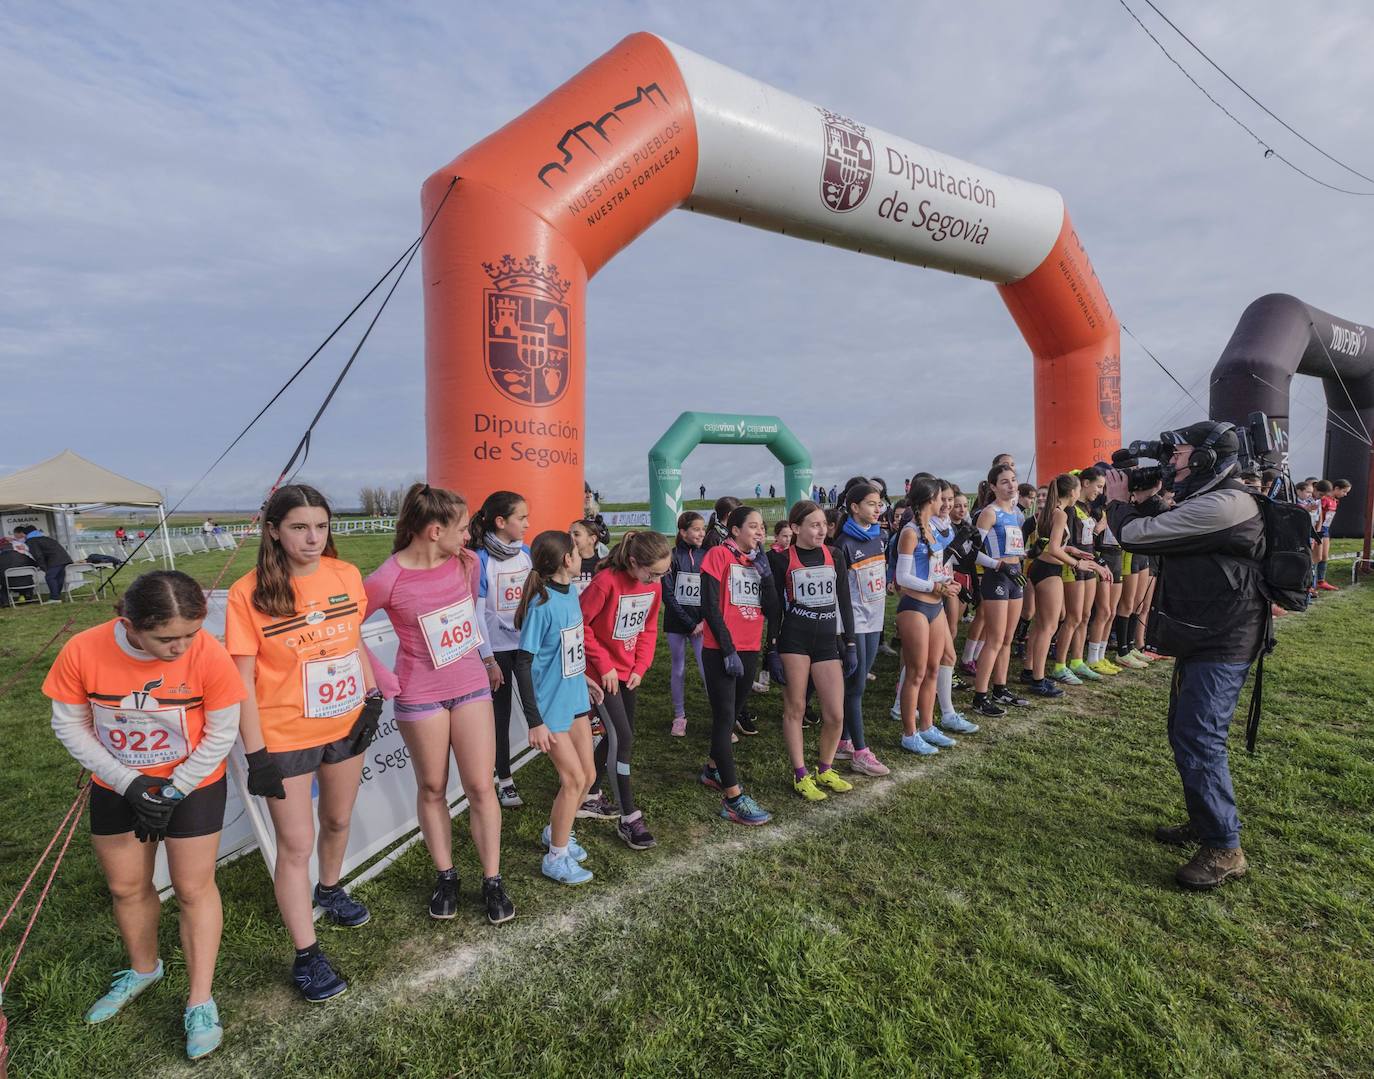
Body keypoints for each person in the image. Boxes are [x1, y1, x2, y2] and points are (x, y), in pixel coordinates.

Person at [44, 571, 244, 1060]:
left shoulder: (208, 654)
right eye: (166, 638)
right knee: (126, 886)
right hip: (117, 780)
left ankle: (200, 999)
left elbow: (221, 733)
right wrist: (132, 784)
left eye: (191, 634)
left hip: (193, 781)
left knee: (194, 888)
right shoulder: (83, 650)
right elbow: (68, 725)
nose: (181, 648)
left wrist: (172, 791)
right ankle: (143, 968)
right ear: (128, 623)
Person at [226, 484, 383, 1002]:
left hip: (344, 726)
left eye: (321, 525)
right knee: (295, 845)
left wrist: (372, 694)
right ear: (273, 530)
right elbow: (241, 681)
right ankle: (307, 955)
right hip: (284, 736)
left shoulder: (345, 575)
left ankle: (331, 887)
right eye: (299, 527)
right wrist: (257, 755)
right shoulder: (247, 593)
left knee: (337, 821)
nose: (313, 538)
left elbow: (351, 637)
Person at [1105, 420, 1267, 890]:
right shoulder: (1213, 498)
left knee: (1199, 737)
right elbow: (1177, 528)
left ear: (1205, 457)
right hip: (1208, 635)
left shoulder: (1228, 502)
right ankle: (1206, 820)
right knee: (1185, 731)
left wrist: (1120, 503)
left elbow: (1139, 536)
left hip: (1222, 640)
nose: (1171, 464)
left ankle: (1224, 846)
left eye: (1179, 456)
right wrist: (1150, 498)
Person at [363, 484, 514, 925]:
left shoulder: (465, 564)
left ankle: (492, 879)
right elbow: (344, 626)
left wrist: (485, 658)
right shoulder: (386, 578)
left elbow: (467, 620)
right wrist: (380, 674)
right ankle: (446, 875)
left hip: (469, 686)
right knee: (432, 787)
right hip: (420, 695)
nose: (469, 537)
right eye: (463, 528)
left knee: (481, 786)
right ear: (433, 530)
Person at [513, 530, 602, 885]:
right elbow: (522, 664)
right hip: (550, 710)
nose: (581, 555)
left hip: (576, 697)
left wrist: (584, 678)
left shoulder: (571, 594)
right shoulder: (541, 605)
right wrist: (535, 723)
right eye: (576, 552)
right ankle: (557, 857)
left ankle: (557, 831)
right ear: (567, 559)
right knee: (573, 779)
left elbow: (570, 650)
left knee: (589, 776)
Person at [578, 529, 671, 850]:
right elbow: (580, 624)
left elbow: (648, 626)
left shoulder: (652, 587)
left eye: (663, 574)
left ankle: (589, 794)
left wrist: (640, 666)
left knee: (620, 733)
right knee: (624, 737)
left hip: (627, 672)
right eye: (653, 573)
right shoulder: (606, 582)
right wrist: (603, 666)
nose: (658, 581)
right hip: (601, 676)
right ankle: (630, 818)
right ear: (633, 562)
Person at [766, 501, 857, 801]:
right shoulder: (780, 561)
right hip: (794, 640)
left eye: (824, 524)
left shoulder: (834, 555)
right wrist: (773, 649)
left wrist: (851, 643)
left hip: (827, 641)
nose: (822, 530)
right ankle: (800, 774)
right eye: (814, 525)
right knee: (796, 708)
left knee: (835, 713)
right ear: (795, 528)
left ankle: (825, 768)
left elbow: (844, 601)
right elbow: (774, 610)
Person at [698, 505, 778, 825]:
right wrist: (727, 647)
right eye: (754, 526)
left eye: (763, 527)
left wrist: (767, 576)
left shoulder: (758, 561)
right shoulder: (718, 556)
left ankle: (712, 769)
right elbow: (709, 605)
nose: (761, 532)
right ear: (735, 530)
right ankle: (733, 797)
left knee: (732, 715)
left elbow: (773, 610)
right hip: (721, 649)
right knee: (724, 718)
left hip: (750, 646)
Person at [468, 491, 532, 808]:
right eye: (522, 518)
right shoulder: (480, 559)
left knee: (540, 707)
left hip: (526, 647)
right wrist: (489, 659)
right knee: (500, 716)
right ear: (500, 521)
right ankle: (504, 780)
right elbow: (477, 613)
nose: (527, 524)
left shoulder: (527, 553)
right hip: (497, 653)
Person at [893, 478, 964, 755]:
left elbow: (932, 568)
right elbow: (902, 577)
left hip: (935, 606)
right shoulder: (910, 532)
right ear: (929, 500)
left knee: (934, 668)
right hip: (915, 607)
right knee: (916, 671)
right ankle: (909, 733)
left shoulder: (933, 529)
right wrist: (934, 586)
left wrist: (946, 583)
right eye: (940, 498)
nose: (944, 503)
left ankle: (927, 726)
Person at [832, 482, 891, 776]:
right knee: (856, 687)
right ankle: (860, 752)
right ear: (854, 507)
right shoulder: (843, 544)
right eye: (870, 504)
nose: (877, 509)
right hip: (853, 625)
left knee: (856, 687)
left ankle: (843, 740)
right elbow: (840, 595)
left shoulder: (879, 538)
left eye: (879, 504)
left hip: (874, 621)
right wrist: (846, 636)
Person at [969, 464, 1030, 718]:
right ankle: (979, 697)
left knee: (1007, 638)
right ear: (993, 486)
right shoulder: (989, 513)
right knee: (994, 639)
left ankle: (1000, 688)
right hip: (996, 576)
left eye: (1013, 480)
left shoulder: (1017, 513)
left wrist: (1028, 555)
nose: (1011, 485)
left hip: (1015, 576)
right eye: (1004, 482)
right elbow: (972, 552)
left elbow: (1014, 547)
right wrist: (998, 565)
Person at [1021, 475, 1080, 698]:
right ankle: (1038, 680)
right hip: (1048, 571)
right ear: (1073, 492)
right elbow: (1055, 548)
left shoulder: (1049, 511)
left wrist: (1073, 551)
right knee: (1048, 627)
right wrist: (1076, 563)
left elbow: (1050, 544)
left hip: (1039, 568)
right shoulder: (1061, 513)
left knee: (1040, 625)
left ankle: (1029, 669)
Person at [662, 511, 708, 738]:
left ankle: (721, 715)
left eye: (703, 528)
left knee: (706, 669)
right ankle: (679, 716)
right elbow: (668, 596)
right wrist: (690, 624)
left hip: (702, 624)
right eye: (697, 529)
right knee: (678, 669)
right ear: (683, 531)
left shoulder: (708, 555)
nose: (702, 533)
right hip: (678, 624)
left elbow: (712, 591)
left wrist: (704, 620)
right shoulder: (670, 557)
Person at [23, 524, 74, 601]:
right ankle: (56, 595)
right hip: (65, 558)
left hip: (55, 560)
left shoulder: (32, 540)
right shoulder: (45, 538)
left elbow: (38, 555)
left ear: (26, 534)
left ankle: (55, 598)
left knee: (50, 577)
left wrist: (43, 567)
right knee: (58, 578)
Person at [0, 536, 40, 605]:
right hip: (27, 584)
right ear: (12, 547)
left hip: (9, 585)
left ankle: (5, 602)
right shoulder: (22, 556)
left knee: (3, 582)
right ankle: (27, 596)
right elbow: (35, 564)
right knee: (24, 578)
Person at [568, 520, 601, 595]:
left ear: (592, 539)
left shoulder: (602, 565)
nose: (571, 538)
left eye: (576, 534)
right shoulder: (565, 563)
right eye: (569, 534)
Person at [582, 486, 610, 553]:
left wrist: (600, 526)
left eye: (590, 492)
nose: (588, 495)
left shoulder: (596, 517)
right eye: (585, 492)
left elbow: (606, 539)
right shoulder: (573, 514)